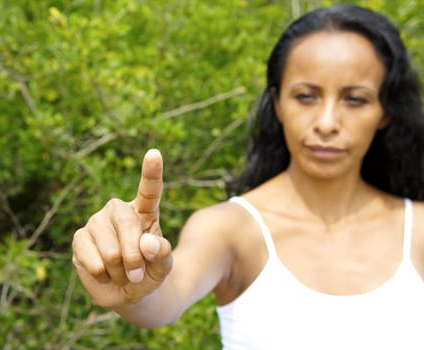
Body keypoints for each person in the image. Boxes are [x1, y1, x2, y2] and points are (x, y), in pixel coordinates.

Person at [72, 4, 424, 349]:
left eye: (355, 100)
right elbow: (165, 297)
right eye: (306, 96)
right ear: (277, 103)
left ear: (385, 112)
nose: (327, 123)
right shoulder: (230, 230)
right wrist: (131, 281)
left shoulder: (418, 230)